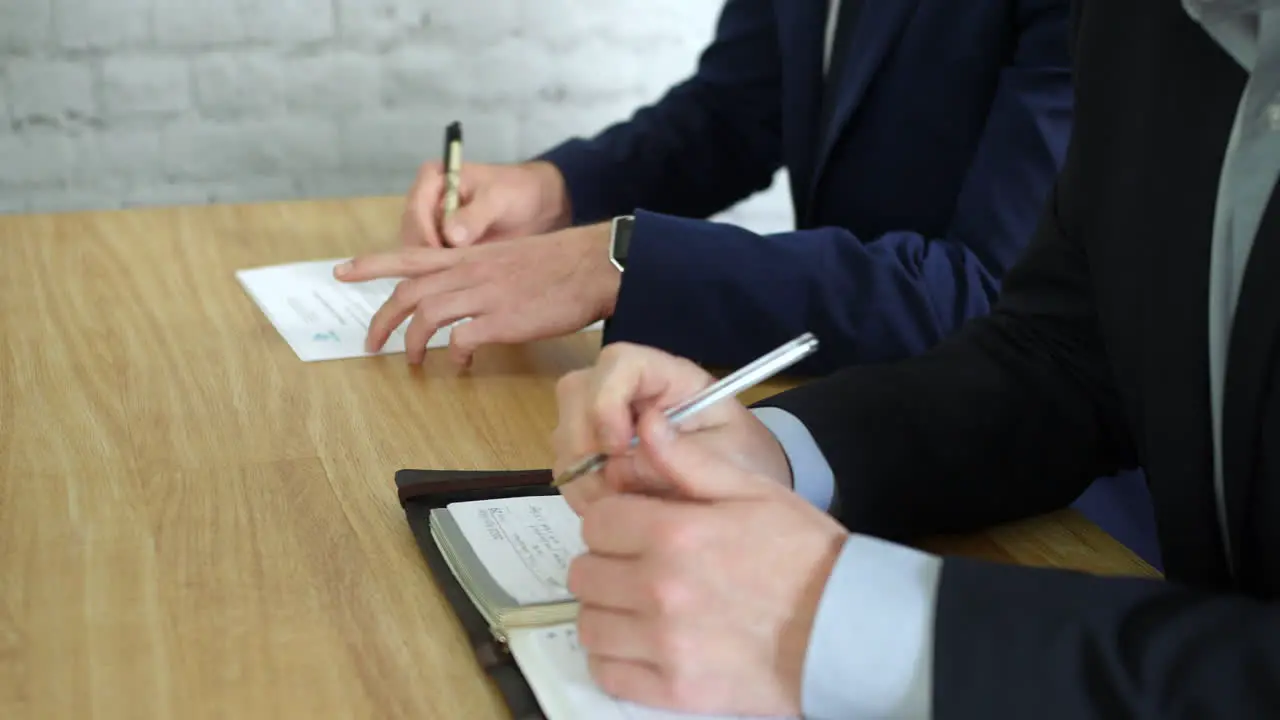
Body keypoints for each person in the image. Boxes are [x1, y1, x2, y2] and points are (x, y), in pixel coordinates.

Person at [548, 1, 1280, 717]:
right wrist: (776, 447)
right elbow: (1062, 348)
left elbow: (977, 281)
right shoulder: (1145, 20)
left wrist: (858, 629)